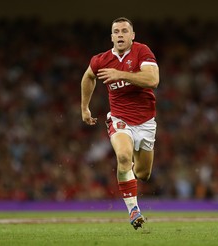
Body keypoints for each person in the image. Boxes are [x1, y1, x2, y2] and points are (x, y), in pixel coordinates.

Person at [81, 17, 159, 230]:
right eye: (116, 31)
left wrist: (120, 74)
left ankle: (130, 167)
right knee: (123, 156)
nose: (121, 35)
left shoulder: (142, 52)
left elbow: (153, 80)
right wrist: (84, 108)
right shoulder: (101, 59)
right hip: (119, 118)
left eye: (125, 31)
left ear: (133, 35)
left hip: (146, 122)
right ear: (112, 36)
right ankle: (134, 210)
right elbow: (89, 77)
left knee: (143, 173)